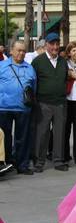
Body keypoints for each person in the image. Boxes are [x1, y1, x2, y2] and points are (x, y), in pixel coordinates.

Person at [31, 32, 69, 172]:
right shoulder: (38, 61)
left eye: (57, 44)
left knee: (59, 133)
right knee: (42, 133)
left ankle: (58, 161)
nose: (55, 47)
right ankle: (39, 162)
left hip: (60, 103)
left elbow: (65, 79)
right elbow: (33, 81)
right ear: (46, 45)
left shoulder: (63, 61)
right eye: (52, 44)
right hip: (43, 103)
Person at [0, 39, 37, 175]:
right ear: (11, 51)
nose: (21, 53)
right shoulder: (2, 66)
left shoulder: (30, 68)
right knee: (5, 138)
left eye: (23, 51)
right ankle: (6, 163)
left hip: (23, 108)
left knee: (23, 138)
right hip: (3, 108)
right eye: (18, 50)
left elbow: (34, 87)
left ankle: (22, 165)